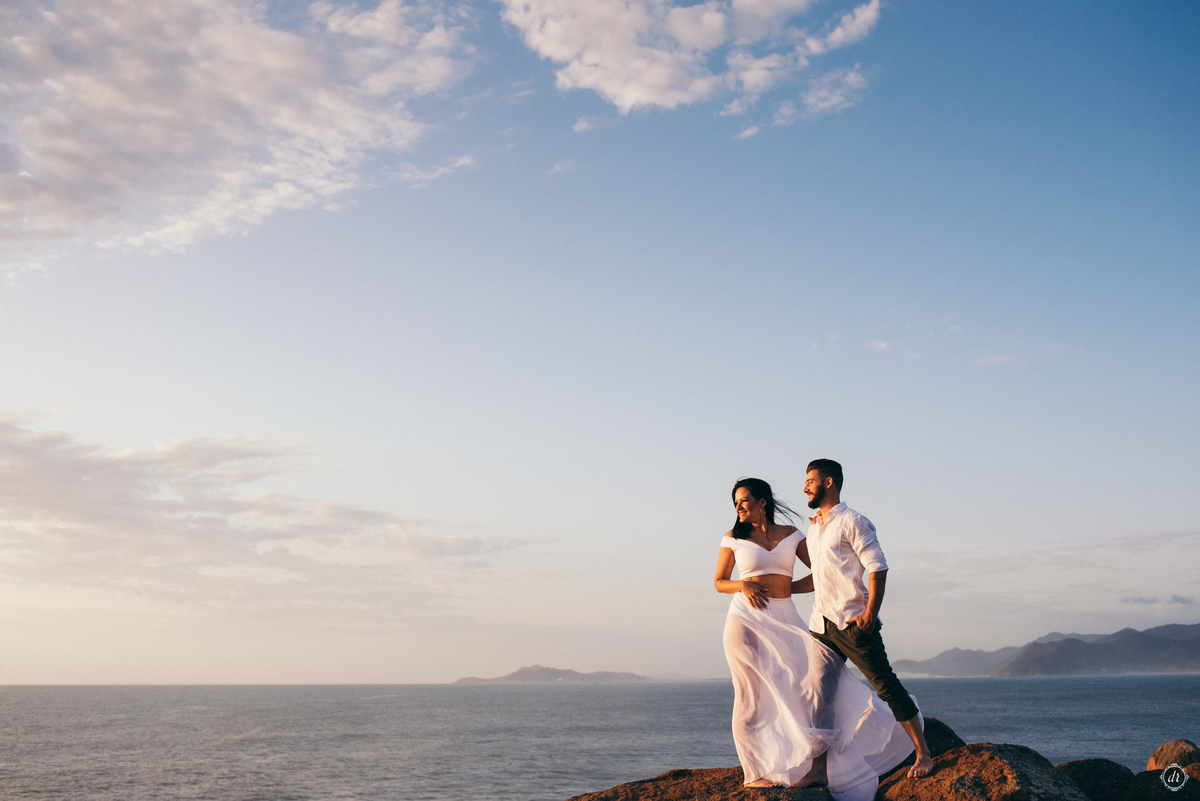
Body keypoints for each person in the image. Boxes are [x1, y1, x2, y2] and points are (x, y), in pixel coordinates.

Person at [715, 478, 918, 801]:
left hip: (785, 616)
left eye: (744, 501)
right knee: (750, 696)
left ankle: (800, 762)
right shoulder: (733, 538)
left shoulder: (794, 535)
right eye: (735, 503)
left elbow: (823, 571)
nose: (738, 508)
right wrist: (744, 586)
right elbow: (719, 582)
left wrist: (791, 588)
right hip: (745, 621)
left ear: (762, 502)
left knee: (801, 689)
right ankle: (754, 772)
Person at [798, 459, 934, 785]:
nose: (804, 487)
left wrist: (871, 611)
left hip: (853, 622)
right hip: (822, 624)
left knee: (885, 685)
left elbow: (878, 566)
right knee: (818, 695)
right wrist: (782, 590)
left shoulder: (853, 521)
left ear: (828, 482)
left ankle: (923, 752)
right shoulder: (815, 526)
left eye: (810, 481)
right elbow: (818, 577)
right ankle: (818, 770)